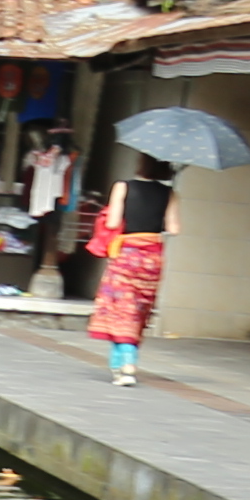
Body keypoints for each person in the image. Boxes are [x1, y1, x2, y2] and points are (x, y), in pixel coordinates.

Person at [83, 155, 175, 384]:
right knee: (138, 311)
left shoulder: (123, 186)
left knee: (120, 309)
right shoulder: (170, 193)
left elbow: (113, 223)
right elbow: (174, 228)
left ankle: (127, 364)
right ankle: (119, 367)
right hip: (152, 258)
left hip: (127, 254)